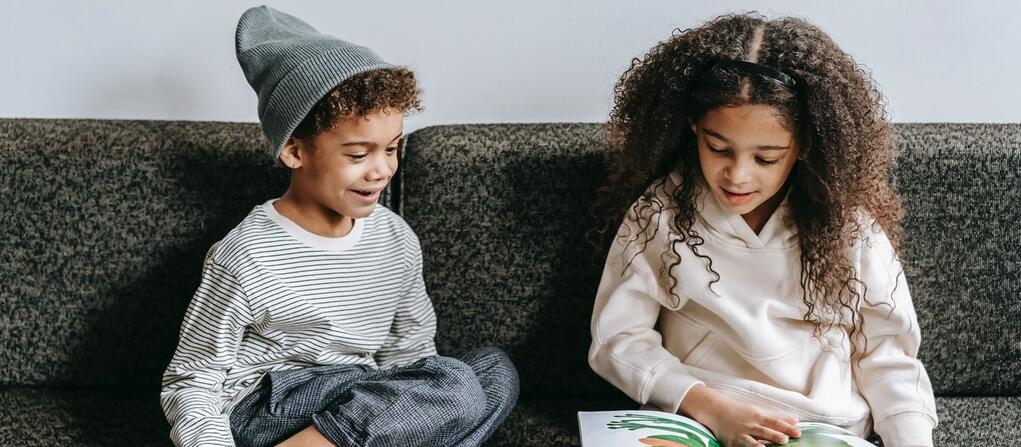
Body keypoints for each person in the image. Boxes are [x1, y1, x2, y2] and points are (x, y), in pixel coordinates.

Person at [160, 6, 518, 447]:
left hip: (359, 398)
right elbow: (192, 380)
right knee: (457, 387)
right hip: (269, 408)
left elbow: (411, 356)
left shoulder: (396, 240)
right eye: (357, 155)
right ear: (294, 152)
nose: (382, 170)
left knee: (492, 371)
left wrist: (418, 414)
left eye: (392, 148)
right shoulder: (245, 254)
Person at [588, 13, 937, 447]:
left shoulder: (847, 226)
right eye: (718, 148)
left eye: (766, 158)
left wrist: (912, 438)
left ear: (806, 145)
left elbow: (887, 354)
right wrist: (709, 406)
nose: (737, 175)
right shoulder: (661, 212)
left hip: (819, 427)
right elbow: (617, 339)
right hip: (696, 417)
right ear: (693, 127)